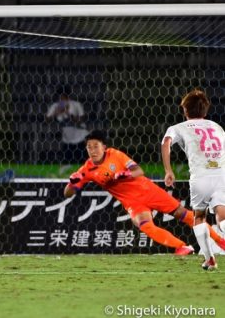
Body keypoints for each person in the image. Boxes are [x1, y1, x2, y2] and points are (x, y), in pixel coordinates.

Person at [64, 130, 225, 255]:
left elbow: (138, 170)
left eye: (95, 146)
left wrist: (126, 174)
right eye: (89, 147)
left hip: (148, 191)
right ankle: (181, 247)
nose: (92, 150)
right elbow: (68, 193)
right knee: (144, 224)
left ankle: (219, 240)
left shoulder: (115, 155)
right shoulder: (87, 169)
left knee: (182, 214)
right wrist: (72, 183)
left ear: (104, 147)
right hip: (132, 202)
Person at [162, 89, 225, 270]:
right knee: (222, 216)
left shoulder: (177, 128)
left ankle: (209, 259)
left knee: (199, 216)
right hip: (221, 174)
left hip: (200, 177)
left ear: (184, 110)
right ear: (205, 110)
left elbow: (165, 143)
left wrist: (168, 171)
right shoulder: (216, 127)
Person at [46, 88, 89, 162]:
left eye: (63, 97)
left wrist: (67, 113)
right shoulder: (55, 106)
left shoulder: (76, 104)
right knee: (68, 162)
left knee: (83, 162)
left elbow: (81, 120)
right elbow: (47, 120)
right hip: (67, 139)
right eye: (59, 97)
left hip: (80, 137)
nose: (61, 100)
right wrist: (56, 112)